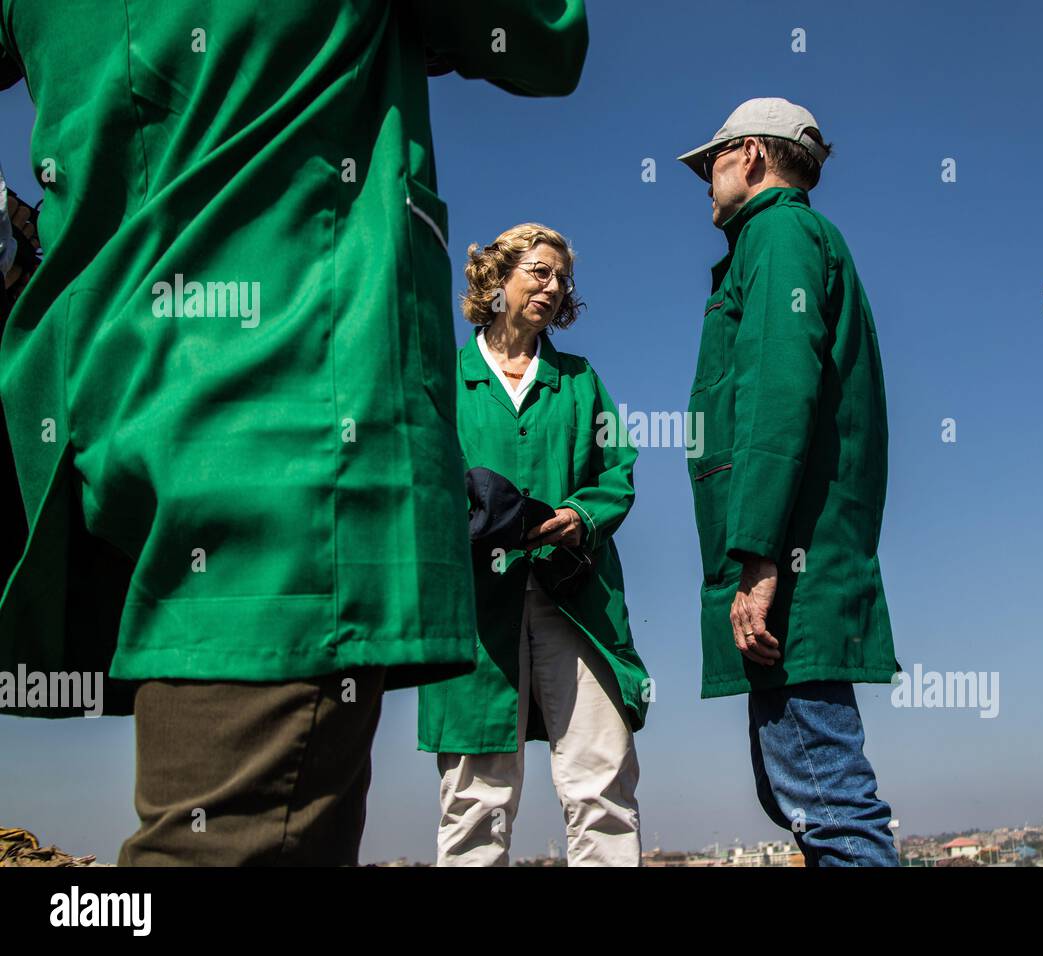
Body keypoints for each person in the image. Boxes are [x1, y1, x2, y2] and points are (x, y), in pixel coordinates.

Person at [0, 1, 589, 865]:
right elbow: (546, 38)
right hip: (284, 436)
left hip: (98, 403)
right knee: (231, 843)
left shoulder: (579, 384)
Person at [676, 97, 903, 866]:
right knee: (801, 792)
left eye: (710, 163)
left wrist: (759, 557)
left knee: (827, 800)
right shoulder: (792, 240)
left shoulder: (776, 235)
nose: (705, 180)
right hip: (796, 559)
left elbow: (778, 391)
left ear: (748, 156)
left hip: (789, 570)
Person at [419, 223, 648, 867]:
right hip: (474, 605)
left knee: (601, 780)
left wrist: (580, 513)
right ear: (499, 278)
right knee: (474, 793)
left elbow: (617, 469)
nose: (553, 286)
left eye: (561, 277)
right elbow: (419, 470)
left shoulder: (579, 379)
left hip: (574, 594)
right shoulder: (444, 375)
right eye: (539, 271)